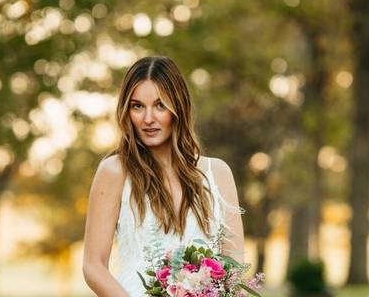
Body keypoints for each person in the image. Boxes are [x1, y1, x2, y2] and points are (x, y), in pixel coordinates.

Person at [82, 55, 247, 297]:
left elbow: (233, 267)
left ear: (178, 107)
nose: (148, 118)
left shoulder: (217, 174)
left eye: (160, 105)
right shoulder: (114, 171)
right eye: (137, 106)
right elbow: (93, 266)